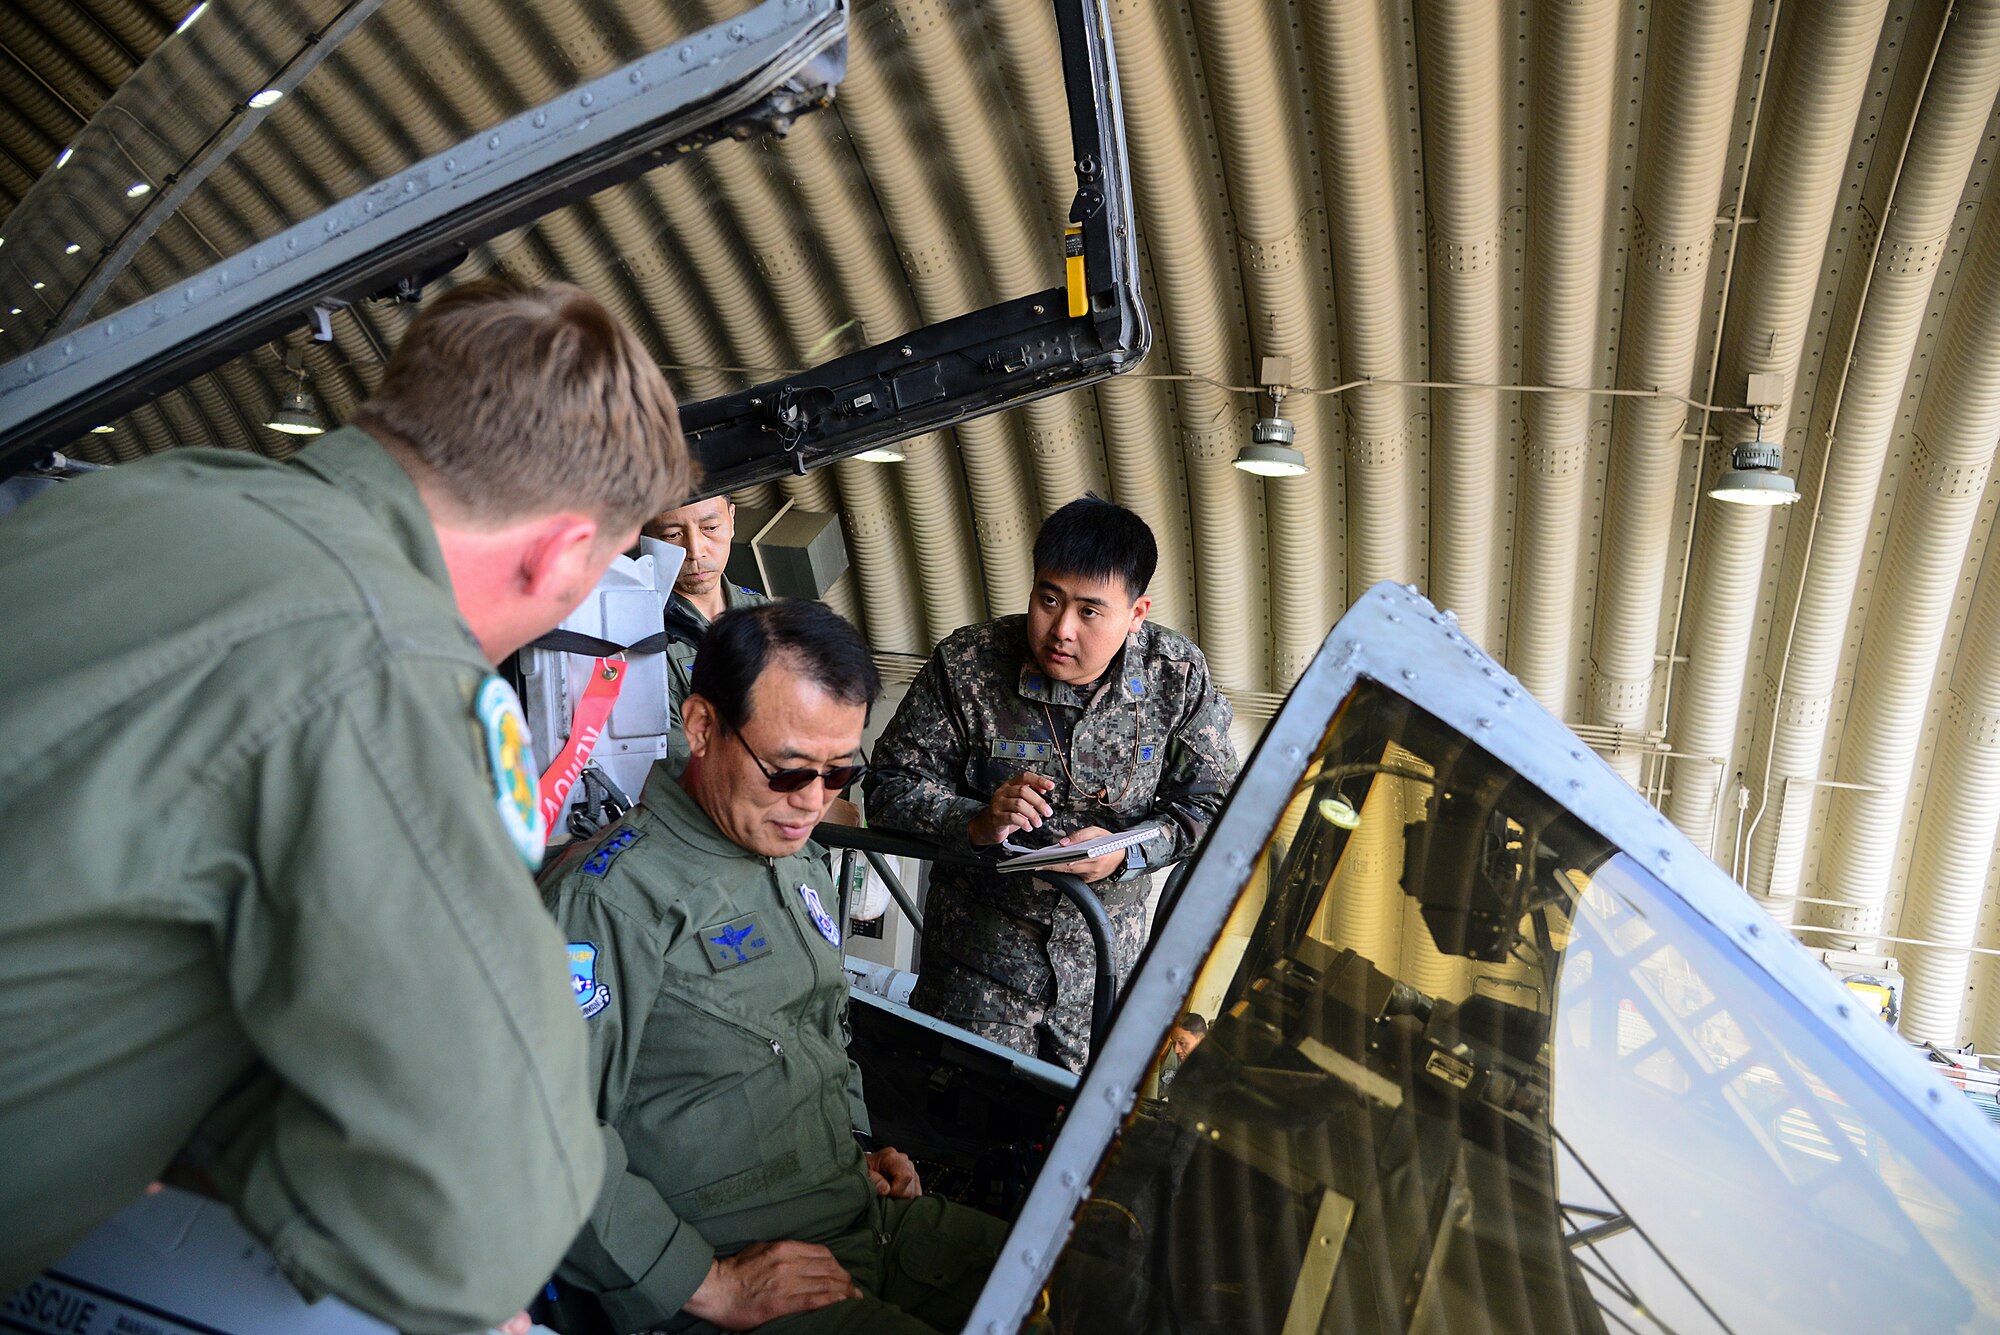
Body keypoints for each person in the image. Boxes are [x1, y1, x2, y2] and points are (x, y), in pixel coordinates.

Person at [0, 279, 694, 1334]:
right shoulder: (383, 665)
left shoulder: (140, 496)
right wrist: (246, 1156)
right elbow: (473, 1222)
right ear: (560, 553)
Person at [545, 601, 1006, 1335]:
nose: (813, 803)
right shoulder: (612, 900)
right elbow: (542, 1131)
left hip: (861, 1215)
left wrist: (855, 1147)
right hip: (735, 1273)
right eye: (789, 771)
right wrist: (704, 1281)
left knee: (1106, 1288)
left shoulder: (792, 859)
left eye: (838, 774)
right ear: (701, 727)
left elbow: (819, 1021)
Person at [865, 496, 1239, 1073]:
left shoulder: (1176, 676)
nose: (1061, 629)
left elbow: (1215, 805)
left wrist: (1125, 851)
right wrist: (975, 820)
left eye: (1090, 612)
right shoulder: (969, 664)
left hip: (1103, 985)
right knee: (960, 1143)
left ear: (1136, 613)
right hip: (977, 978)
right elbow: (888, 785)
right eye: (1048, 599)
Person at [646, 494, 771, 774]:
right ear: (645, 536)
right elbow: (672, 762)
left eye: (710, 528)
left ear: (732, 518)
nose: (695, 550)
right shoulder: (639, 632)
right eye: (672, 534)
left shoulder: (767, 614)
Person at [1157, 1012, 1207, 1095]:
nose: (1176, 1050)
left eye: (1182, 1042)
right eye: (1174, 1042)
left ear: (1201, 1040)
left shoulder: (1211, 1073)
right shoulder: (1169, 1056)